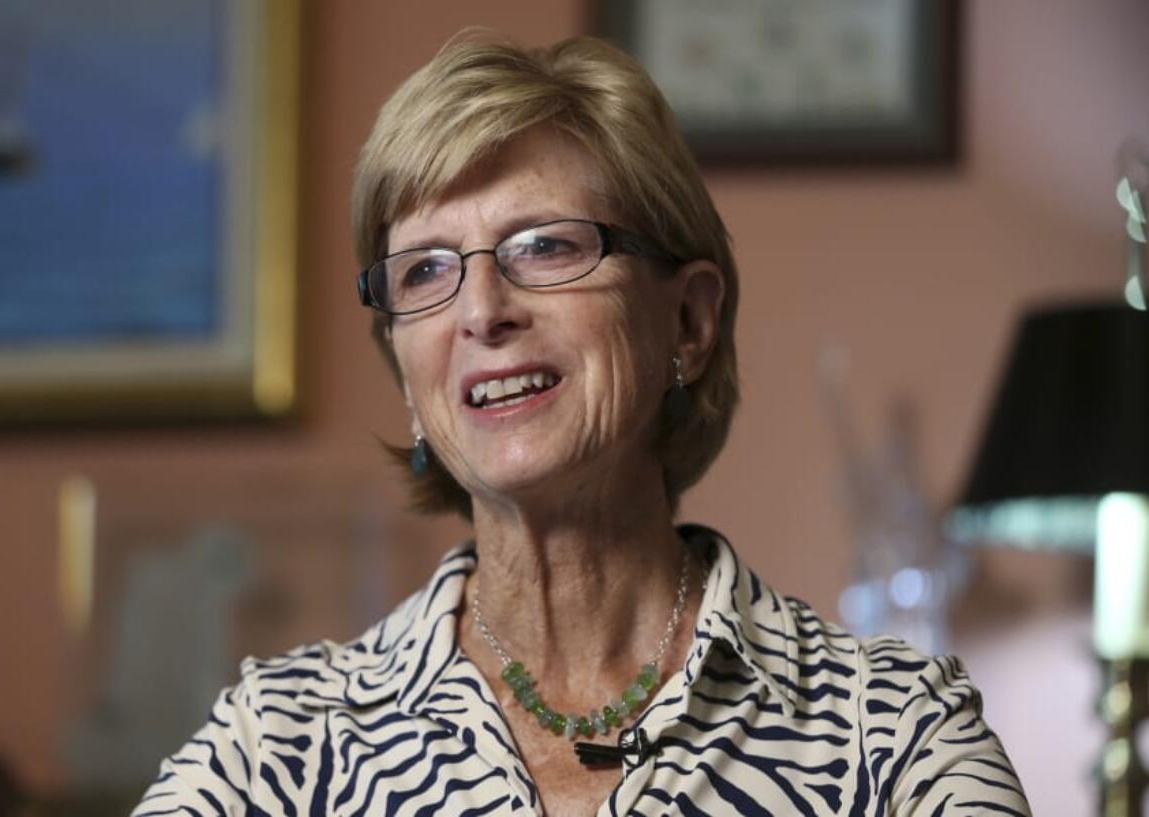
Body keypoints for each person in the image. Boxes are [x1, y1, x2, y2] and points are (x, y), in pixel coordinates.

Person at [132, 34, 1029, 816]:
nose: (482, 311)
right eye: (424, 273)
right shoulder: (275, 748)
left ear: (688, 321)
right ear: (406, 372)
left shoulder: (894, 733)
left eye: (546, 246)